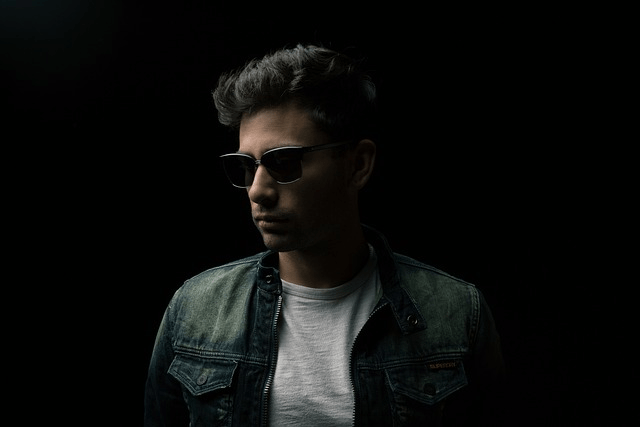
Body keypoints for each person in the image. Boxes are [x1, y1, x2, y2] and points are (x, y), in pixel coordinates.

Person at [144, 44, 505, 426]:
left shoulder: (457, 315)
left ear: (358, 165)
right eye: (246, 166)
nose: (257, 190)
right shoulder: (194, 311)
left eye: (284, 162)